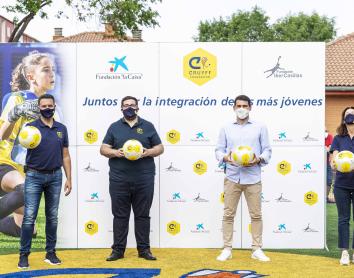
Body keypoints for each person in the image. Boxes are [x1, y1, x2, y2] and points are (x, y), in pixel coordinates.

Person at [0, 51, 56, 238]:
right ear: (30, 76)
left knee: (25, 230)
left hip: (25, 169)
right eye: (46, 70)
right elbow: (2, 136)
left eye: (52, 70)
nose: (51, 74)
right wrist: (15, 114)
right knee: (26, 191)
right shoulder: (17, 98)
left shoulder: (52, 108)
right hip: (4, 162)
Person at [100, 96, 163, 261]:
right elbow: (103, 148)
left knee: (143, 214)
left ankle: (144, 250)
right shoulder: (114, 127)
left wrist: (147, 152)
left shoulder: (148, 126)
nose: (129, 108)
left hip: (144, 178)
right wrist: (116, 152)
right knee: (120, 215)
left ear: (137, 108)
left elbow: (160, 147)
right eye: (126, 105)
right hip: (119, 179)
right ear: (121, 108)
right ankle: (118, 250)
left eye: (132, 105)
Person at [215, 94, 272, 262]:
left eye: (245, 106)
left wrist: (258, 159)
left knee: (256, 215)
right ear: (234, 108)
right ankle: (227, 248)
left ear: (250, 108)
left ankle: (257, 248)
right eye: (238, 106)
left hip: (253, 177)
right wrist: (226, 158)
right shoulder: (226, 128)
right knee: (228, 214)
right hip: (232, 176)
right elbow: (218, 150)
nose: (241, 109)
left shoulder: (260, 127)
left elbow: (267, 150)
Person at [18, 94, 72, 269]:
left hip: (55, 177)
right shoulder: (30, 128)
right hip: (34, 176)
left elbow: (65, 155)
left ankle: (50, 253)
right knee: (29, 217)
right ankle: (24, 255)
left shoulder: (61, 128)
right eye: (44, 106)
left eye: (50, 105)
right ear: (39, 108)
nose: (47, 108)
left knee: (52, 217)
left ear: (54, 106)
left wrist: (69, 178)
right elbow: (21, 145)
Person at [330, 106, 354, 266]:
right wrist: (334, 163)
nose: (350, 117)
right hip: (341, 184)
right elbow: (334, 158)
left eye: (353, 114)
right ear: (343, 118)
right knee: (343, 219)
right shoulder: (338, 138)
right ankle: (344, 252)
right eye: (347, 115)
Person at [325, 127, 334, 203]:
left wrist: (326, 148)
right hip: (318, 163)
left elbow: (330, 149)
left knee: (329, 180)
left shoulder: (330, 136)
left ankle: (326, 197)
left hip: (328, 162)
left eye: (326, 131)